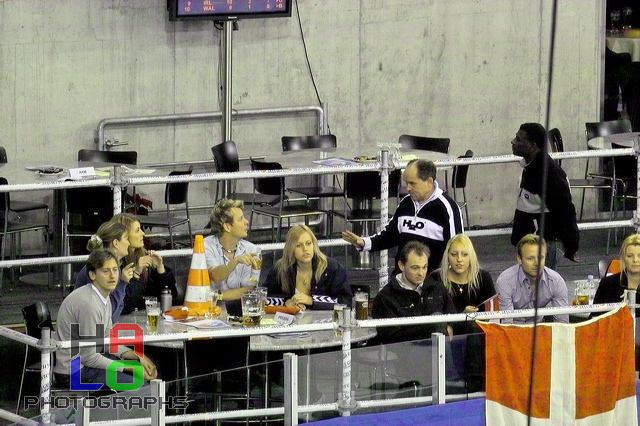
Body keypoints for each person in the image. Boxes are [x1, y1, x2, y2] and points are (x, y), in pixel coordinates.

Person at [54, 249, 157, 389]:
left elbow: (108, 341)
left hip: (87, 365)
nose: (112, 275)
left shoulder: (103, 296)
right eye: (105, 271)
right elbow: (89, 357)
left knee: (147, 369)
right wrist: (129, 368)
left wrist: (138, 357)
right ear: (92, 275)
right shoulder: (89, 304)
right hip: (74, 372)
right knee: (141, 385)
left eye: (115, 270)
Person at [342, 159, 463, 273]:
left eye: (412, 183)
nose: (408, 188)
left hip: (432, 282)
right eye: (406, 183)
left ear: (429, 182)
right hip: (401, 279)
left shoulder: (448, 208)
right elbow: (390, 235)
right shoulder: (406, 203)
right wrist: (363, 243)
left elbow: (456, 250)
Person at [510, 122, 579, 269]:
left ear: (533, 146)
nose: (513, 142)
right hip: (534, 244)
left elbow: (566, 213)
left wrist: (571, 247)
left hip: (546, 247)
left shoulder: (549, 175)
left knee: (542, 290)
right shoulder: (530, 168)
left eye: (519, 139)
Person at [371, 241, 455, 344]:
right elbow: (389, 337)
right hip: (405, 353)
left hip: (438, 348)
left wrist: (450, 325)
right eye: (415, 268)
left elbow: (453, 315)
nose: (421, 273)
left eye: (424, 267)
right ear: (401, 266)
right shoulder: (385, 298)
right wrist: (430, 327)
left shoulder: (437, 288)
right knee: (437, 321)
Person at [264, 225, 351, 310]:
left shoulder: (333, 268)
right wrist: (285, 302)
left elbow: (346, 302)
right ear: (291, 249)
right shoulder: (280, 269)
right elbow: (264, 298)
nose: (305, 249)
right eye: (298, 245)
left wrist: (312, 301)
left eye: (308, 243)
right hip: (291, 322)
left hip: (325, 322)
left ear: (314, 245)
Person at [430, 233, 496, 335]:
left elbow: (492, 313)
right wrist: (462, 316)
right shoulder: (436, 277)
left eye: (464, 254)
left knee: (471, 326)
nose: (459, 259)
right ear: (447, 256)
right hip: (447, 334)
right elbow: (435, 312)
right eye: (454, 254)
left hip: (477, 333)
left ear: (471, 256)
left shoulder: (483, 277)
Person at [111, 213, 177, 313]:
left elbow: (170, 295)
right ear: (124, 235)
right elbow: (124, 307)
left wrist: (160, 269)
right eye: (137, 230)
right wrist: (136, 273)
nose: (143, 233)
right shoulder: (113, 265)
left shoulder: (144, 257)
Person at [495, 234, 569, 324]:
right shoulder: (505, 281)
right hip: (514, 330)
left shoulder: (556, 281)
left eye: (540, 257)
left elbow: (562, 323)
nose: (536, 263)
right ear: (519, 259)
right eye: (530, 258)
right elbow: (507, 324)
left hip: (539, 329)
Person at [73, 221, 137, 323]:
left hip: (94, 328)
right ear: (116, 243)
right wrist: (123, 283)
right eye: (126, 238)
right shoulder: (98, 268)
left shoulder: (113, 267)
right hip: (83, 331)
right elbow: (109, 316)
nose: (129, 243)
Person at [204, 199, 260, 300]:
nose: (247, 222)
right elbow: (216, 276)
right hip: (211, 309)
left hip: (240, 307)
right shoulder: (206, 245)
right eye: (240, 219)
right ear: (227, 227)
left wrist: (214, 296)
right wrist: (235, 261)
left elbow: (248, 290)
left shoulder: (251, 249)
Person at [593, 234, 640, 315]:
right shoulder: (607, 284)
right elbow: (595, 318)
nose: (635, 260)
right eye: (630, 256)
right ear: (623, 258)